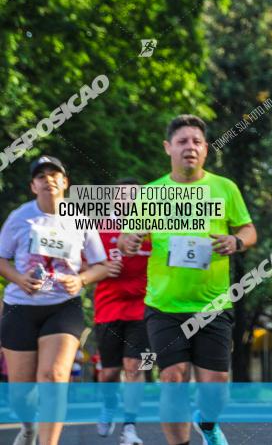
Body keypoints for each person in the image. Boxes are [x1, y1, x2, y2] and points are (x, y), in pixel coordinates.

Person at [118, 115, 257, 445]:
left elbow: (248, 230)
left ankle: (207, 424)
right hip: (164, 305)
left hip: (214, 304)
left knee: (216, 389)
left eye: (196, 141)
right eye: (182, 142)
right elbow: (126, 239)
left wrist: (236, 242)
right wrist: (130, 241)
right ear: (168, 148)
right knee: (173, 377)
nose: (189, 147)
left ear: (206, 149)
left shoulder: (225, 188)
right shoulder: (151, 193)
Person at [0, 155, 115, 445]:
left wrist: (81, 280)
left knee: (53, 376)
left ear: (65, 182)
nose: (48, 180)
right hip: (21, 308)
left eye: (54, 175)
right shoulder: (19, 217)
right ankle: (28, 428)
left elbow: (102, 265)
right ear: (32, 186)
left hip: (63, 306)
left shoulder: (80, 219)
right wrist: (18, 278)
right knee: (20, 395)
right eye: (41, 176)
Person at [94, 178, 152, 444]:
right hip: (107, 308)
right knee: (109, 372)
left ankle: (130, 426)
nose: (128, 201)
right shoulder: (100, 228)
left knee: (135, 366)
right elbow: (83, 267)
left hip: (143, 308)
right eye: (123, 196)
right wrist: (103, 269)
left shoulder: (153, 229)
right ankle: (108, 404)